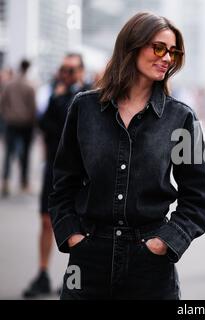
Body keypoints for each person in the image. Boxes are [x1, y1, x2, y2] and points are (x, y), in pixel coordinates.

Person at [49, 12, 205, 300]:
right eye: (159, 48)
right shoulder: (84, 108)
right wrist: (72, 237)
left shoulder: (182, 118)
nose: (167, 58)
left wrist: (165, 243)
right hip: (87, 260)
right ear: (132, 46)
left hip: (150, 265)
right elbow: (63, 184)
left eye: (173, 52)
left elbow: (198, 198)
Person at [22, 53, 89, 298]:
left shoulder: (90, 96)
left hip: (82, 171)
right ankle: (42, 273)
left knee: (80, 224)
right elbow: (46, 126)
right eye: (63, 69)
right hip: (54, 167)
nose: (66, 74)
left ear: (81, 71)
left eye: (71, 69)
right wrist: (58, 97)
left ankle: (75, 277)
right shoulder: (55, 94)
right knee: (46, 220)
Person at [0, 59, 36, 197]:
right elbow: (33, 108)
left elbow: (2, 103)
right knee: (25, 154)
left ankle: (6, 181)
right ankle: (23, 181)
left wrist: (7, 115)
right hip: (26, 124)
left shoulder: (9, 84)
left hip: (11, 122)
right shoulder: (30, 86)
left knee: (9, 153)